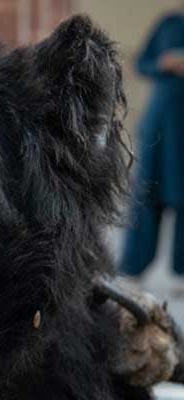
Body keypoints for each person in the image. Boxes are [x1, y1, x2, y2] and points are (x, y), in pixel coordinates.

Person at [121, 11, 184, 288]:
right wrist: (163, 63)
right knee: (147, 193)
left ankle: (181, 273)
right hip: (159, 125)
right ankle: (133, 267)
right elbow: (142, 64)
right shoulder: (168, 25)